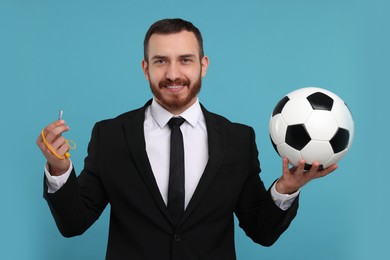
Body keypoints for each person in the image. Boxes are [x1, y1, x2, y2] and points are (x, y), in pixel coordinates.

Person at [36, 18, 337, 260]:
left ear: (203, 65)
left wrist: (285, 189)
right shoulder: (111, 135)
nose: (173, 73)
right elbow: (74, 224)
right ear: (146, 68)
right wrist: (59, 170)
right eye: (160, 61)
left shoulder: (238, 139)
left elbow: (261, 232)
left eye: (185, 60)